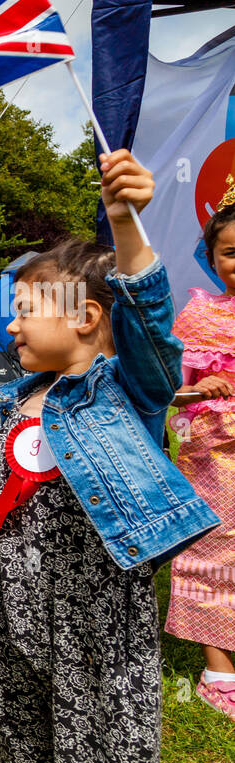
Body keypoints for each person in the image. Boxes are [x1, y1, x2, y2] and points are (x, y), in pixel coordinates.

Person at [0, 151, 219, 763]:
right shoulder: (21, 396)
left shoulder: (127, 388)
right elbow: (14, 484)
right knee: (17, 712)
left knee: (100, 730)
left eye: (23, 312)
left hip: (95, 601)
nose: (9, 329)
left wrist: (124, 227)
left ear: (83, 318)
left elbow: (151, 329)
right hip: (20, 592)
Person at [166, 188, 235, 721]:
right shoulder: (197, 318)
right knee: (209, 553)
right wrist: (198, 388)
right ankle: (217, 669)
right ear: (211, 259)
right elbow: (165, 389)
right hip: (211, 457)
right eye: (230, 252)